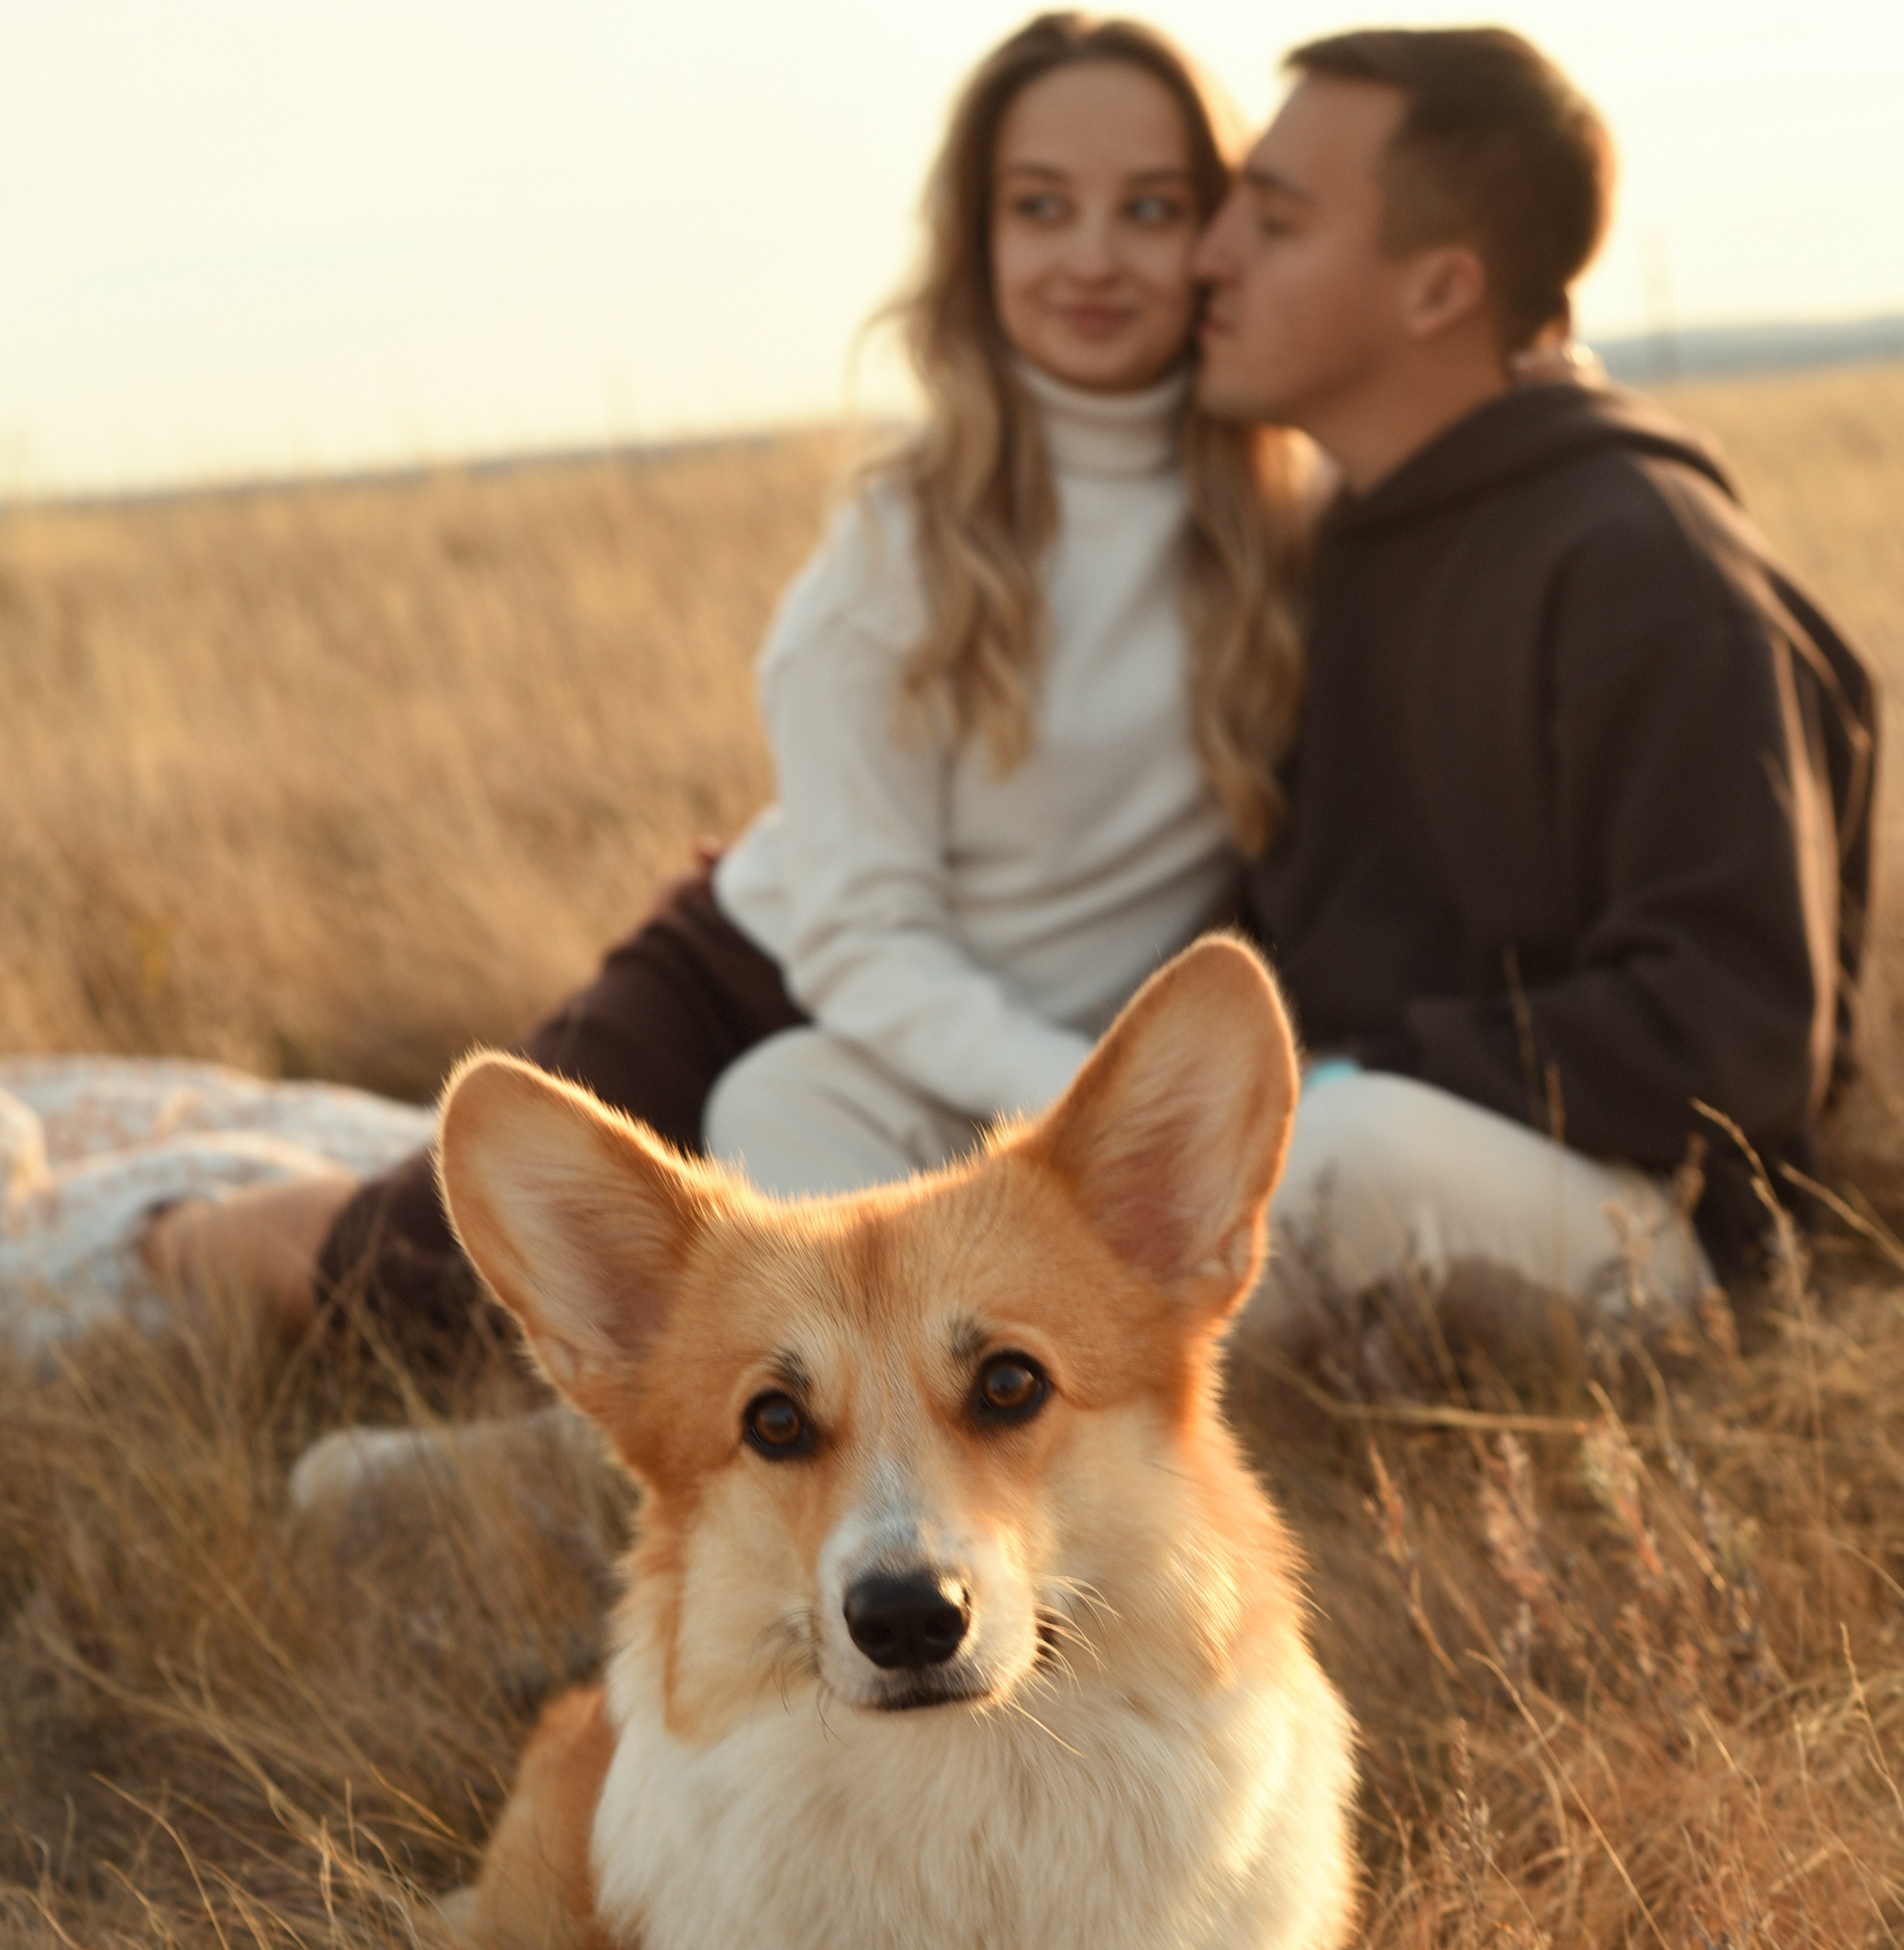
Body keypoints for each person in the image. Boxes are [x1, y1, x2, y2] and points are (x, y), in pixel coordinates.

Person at [137, 10, 1308, 1351]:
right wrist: (1075, 1104)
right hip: (763, 982)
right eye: (1041, 207)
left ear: (1216, 234)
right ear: (979, 244)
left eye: (1150, 208)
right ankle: (164, 1233)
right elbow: (862, 939)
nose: (1092, 256)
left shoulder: (1281, 517)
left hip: (969, 1064)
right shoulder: (906, 540)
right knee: (420, 1294)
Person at [711, 22, 1876, 1354]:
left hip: (1633, 1232)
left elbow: (1739, 1034)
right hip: (1309, 1118)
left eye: (1271, 221)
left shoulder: (1648, 569)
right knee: (795, 1094)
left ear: (1437, 290)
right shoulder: (1331, 536)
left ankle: (999, 1402)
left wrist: (1343, 1076)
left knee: (1338, 1153)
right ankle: (897, 1405)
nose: (1206, 254)